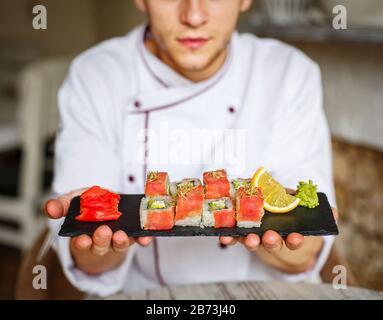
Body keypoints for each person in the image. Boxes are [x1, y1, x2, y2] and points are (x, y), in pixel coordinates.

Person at [45, 0, 337, 297]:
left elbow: (306, 254)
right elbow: (87, 259)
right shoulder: (96, 75)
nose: (194, 16)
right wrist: (101, 247)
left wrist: (280, 240)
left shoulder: (288, 72)